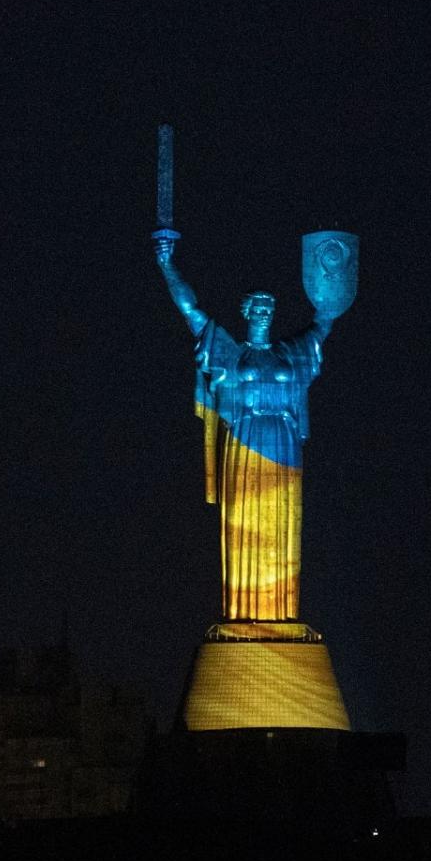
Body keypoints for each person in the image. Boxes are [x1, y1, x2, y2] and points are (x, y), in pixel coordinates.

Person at [156, 235, 332, 621]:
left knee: (283, 525)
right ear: (247, 312)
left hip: (284, 444)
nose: (265, 312)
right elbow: (191, 310)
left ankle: (281, 616)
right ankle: (242, 615)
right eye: (259, 307)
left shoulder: (291, 354)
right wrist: (168, 266)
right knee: (246, 523)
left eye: (271, 307)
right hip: (245, 440)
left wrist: (331, 282)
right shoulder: (231, 355)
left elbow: (324, 322)